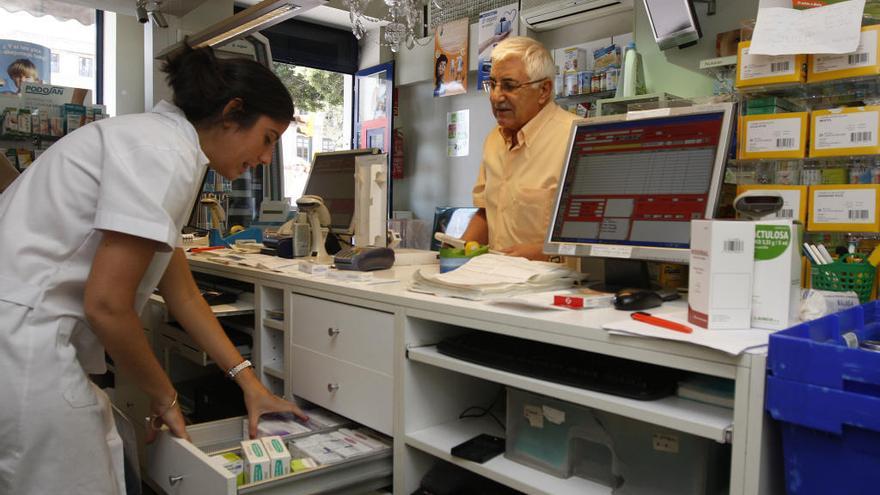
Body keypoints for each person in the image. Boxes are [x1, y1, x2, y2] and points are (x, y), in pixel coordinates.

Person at [0, 46, 307, 494]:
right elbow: (107, 305)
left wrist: (249, 382)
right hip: (24, 346)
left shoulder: (157, 142)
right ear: (232, 112)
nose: (265, 158)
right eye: (267, 138)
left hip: (25, 337)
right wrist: (164, 394)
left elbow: (183, 293)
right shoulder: (166, 155)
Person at [461, 36, 578, 261]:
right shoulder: (493, 141)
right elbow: (487, 212)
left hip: (553, 288)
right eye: (492, 84)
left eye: (509, 86)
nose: (496, 96)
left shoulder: (575, 138)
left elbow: (597, 234)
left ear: (544, 90)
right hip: (496, 280)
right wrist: (458, 250)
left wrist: (542, 254)